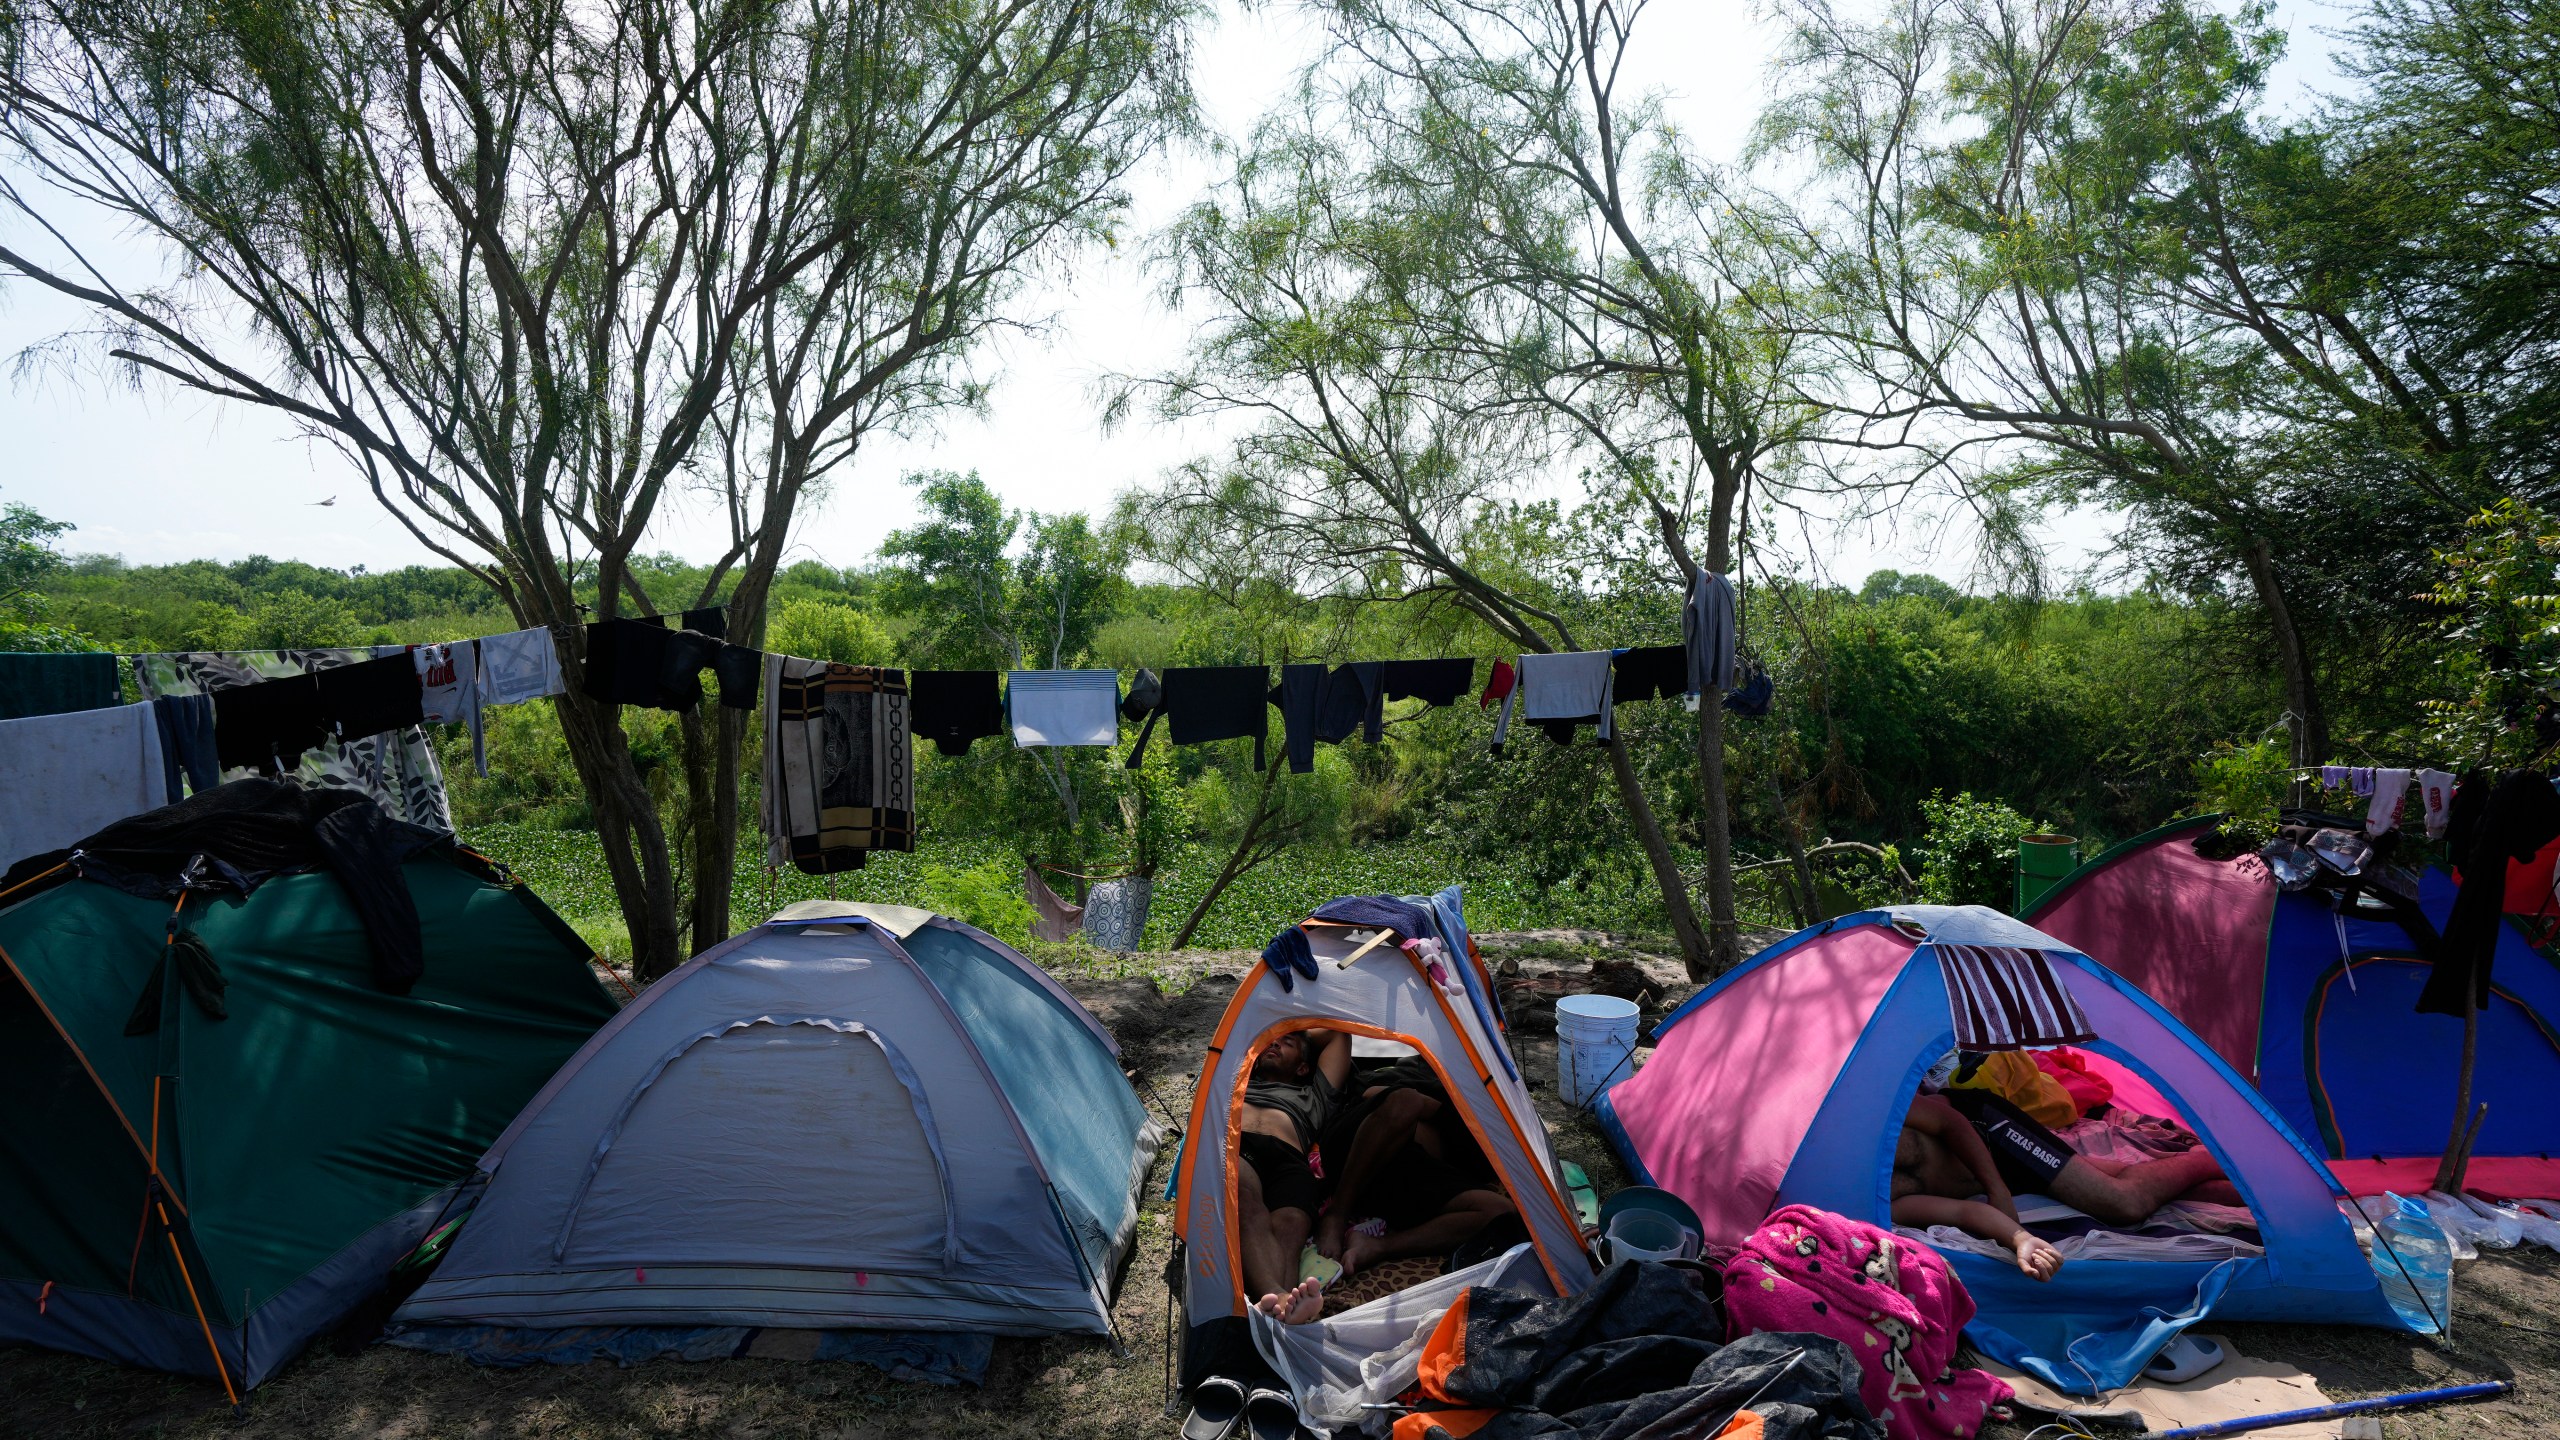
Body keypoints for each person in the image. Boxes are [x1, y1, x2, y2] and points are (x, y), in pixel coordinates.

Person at [1892, 1090, 2236, 1282]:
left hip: (1989, 1132)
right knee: (2124, 1178)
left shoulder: (1865, 1115)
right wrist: (2020, 1239)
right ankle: (2247, 1186)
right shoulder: (1869, 1198)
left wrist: (1997, 1189)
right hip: (2000, 1173)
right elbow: (1964, 1211)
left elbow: (1950, 1119)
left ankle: (2209, 1158)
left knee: (2122, 1203)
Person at [1311, 1055, 1515, 1279]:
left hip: (1409, 1178)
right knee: (1408, 1101)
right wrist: (1438, 1110)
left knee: (1501, 1212)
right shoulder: (1413, 1073)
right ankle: (1337, 1213)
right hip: (1357, 1150)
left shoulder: (1489, 1122)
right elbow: (1372, 1094)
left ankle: (1378, 1247)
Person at [1238, 1028, 1352, 1325]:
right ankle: (1280, 1294)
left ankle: (1278, 1306)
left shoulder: (1315, 1095)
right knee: (1246, 1201)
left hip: (1289, 1159)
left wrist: (1297, 1035)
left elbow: (1339, 1035)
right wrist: (1275, 1037)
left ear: (1303, 1067)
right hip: (1240, 1145)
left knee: (1292, 1224)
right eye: (1270, 1042)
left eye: (1286, 1044)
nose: (1274, 1042)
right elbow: (1237, 1034)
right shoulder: (1239, 1080)